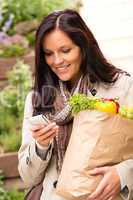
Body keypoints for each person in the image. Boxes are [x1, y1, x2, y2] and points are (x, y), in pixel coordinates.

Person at [18, 9, 133, 200]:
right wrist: (41, 145)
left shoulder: (120, 86)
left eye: (65, 50)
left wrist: (122, 175)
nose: (57, 61)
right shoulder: (38, 99)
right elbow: (28, 177)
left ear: (83, 47)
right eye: (48, 54)